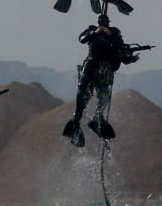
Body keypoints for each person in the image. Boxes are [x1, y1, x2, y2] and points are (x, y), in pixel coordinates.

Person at [62, 15, 149, 147]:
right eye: (100, 23)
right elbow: (82, 39)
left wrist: (131, 58)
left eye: (104, 23)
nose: (102, 25)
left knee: (104, 97)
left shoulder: (114, 33)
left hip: (103, 72)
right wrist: (94, 32)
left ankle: (97, 118)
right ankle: (76, 122)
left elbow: (121, 52)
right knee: (82, 96)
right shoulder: (92, 31)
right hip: (89, 68)